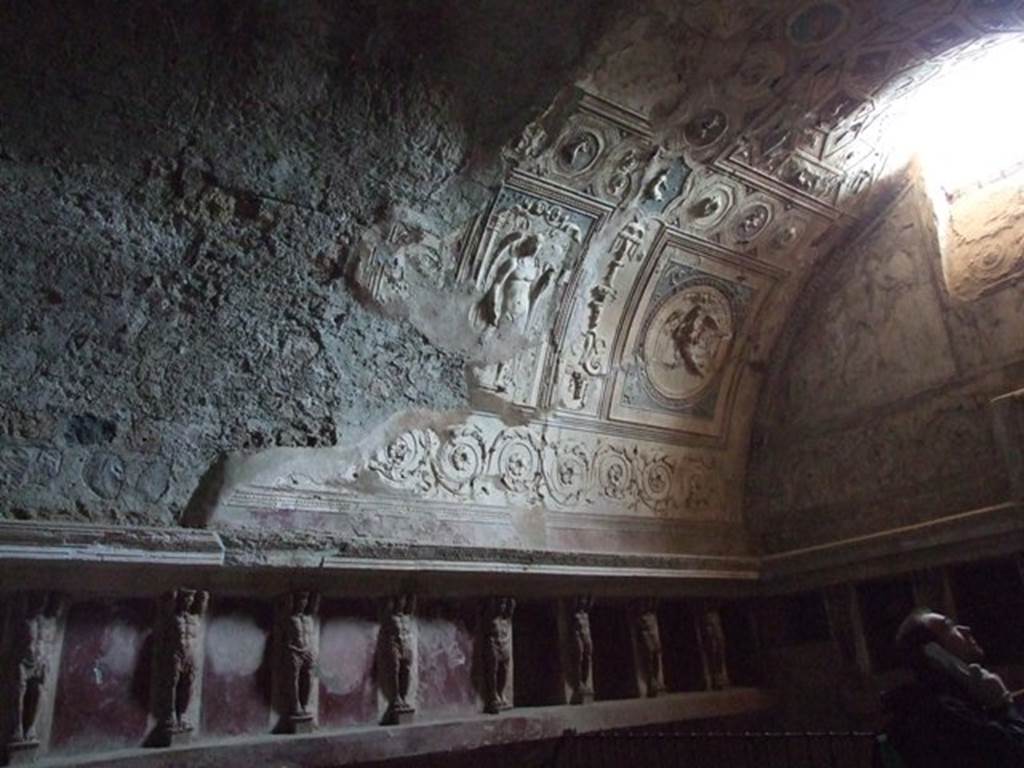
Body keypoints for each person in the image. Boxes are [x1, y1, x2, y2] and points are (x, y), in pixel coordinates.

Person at [886, 608, 1024, 767]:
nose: (966, 629)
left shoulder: (958, 702)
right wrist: (1002, 705)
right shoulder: (943, 715)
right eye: (949, 626)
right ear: (933, 652)